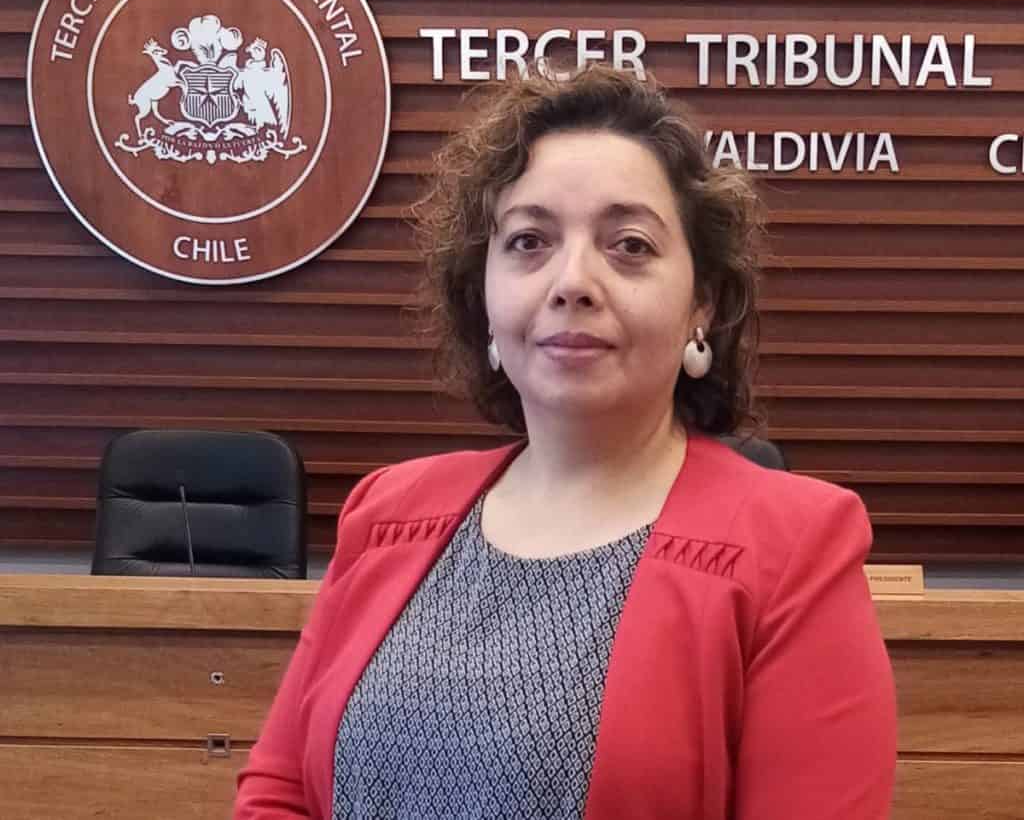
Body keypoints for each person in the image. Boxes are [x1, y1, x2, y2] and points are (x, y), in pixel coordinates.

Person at [234, 65, 897, 819]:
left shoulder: (796, 549)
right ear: (483, 296)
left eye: (630, 246)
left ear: (702, 306)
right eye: (529, 241)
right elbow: (281, 792)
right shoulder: (385, 513)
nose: (571, 280)